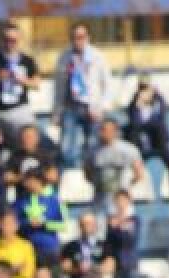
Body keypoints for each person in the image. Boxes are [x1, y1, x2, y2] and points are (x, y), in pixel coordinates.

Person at [53, 22, 113, 168]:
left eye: (81, 37)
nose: (78, 40)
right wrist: (56, 112)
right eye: (75, 37)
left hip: (92, 107)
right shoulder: (65, 57)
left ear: (88, 37)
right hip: (71, 106)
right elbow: (59, 87)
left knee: (92, 145)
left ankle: (90, 176)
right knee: (67, 146)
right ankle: (70, 176)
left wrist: (102, 107)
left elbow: (108, 84)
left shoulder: (97, 56)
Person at [0, 22, 40, 132]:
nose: (10, 43)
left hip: (21, 109)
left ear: (19, 40)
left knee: (29, 139)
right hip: (0, 110)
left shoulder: (27, 60)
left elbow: (36, 84)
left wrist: (21, 80)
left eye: (13, 40)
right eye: (7, 39)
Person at [86, 118, 146, 213]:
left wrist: (126, 186)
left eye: (105, 130)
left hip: (121, 200)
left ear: (114, 131)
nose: (102, 133)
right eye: (101, 129)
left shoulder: (128, 149)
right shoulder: (93, 151)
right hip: (100, 199)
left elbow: (139, 172)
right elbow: (88, 172)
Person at [14, 168, 67, 266]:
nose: (26, 184)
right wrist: (27, 223)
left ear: (39, 181)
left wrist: (45, 224)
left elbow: (63, 225)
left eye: (29, 181)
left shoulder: (54, 201)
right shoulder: (20, 202)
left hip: (49, 249)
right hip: (27, 249)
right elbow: (13, 224)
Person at [126, 74, 169, 165]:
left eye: (146, 87)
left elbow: (160, 117)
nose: (143, 90)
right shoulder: (134, 102)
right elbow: (134, 121)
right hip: (140, 134)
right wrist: (139, 104)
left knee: (160, 129)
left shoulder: (158, 100)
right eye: (141, 88)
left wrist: (152, 99)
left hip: (156, 135)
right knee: (132, 132)